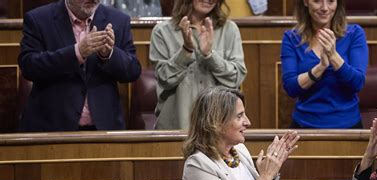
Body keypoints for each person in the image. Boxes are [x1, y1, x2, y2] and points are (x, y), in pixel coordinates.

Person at [18, 0, 141, 132]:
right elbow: (28, 66)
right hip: (52, 128)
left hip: (103, 129)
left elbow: (133, 70)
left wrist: (109, 54)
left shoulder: (118, 20)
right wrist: (76, 53)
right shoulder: (39, 19)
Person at [149, 0, 247, 130]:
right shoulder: (162, 32)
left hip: (219, 131)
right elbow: (164, 78)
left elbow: (236, 77)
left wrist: (209, 56)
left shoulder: (229, 30)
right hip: (177, 129)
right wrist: (186, 50)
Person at [281, 0, 368, 129]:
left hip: (347, 126)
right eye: (317, 1)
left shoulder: (354, 33)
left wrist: (333, 56)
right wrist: (320, 68)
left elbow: (357, 83)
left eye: (331, 1)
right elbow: (290, 87)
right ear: (306, 2)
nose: (325, 8)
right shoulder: (291, 38)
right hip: (304, 126)